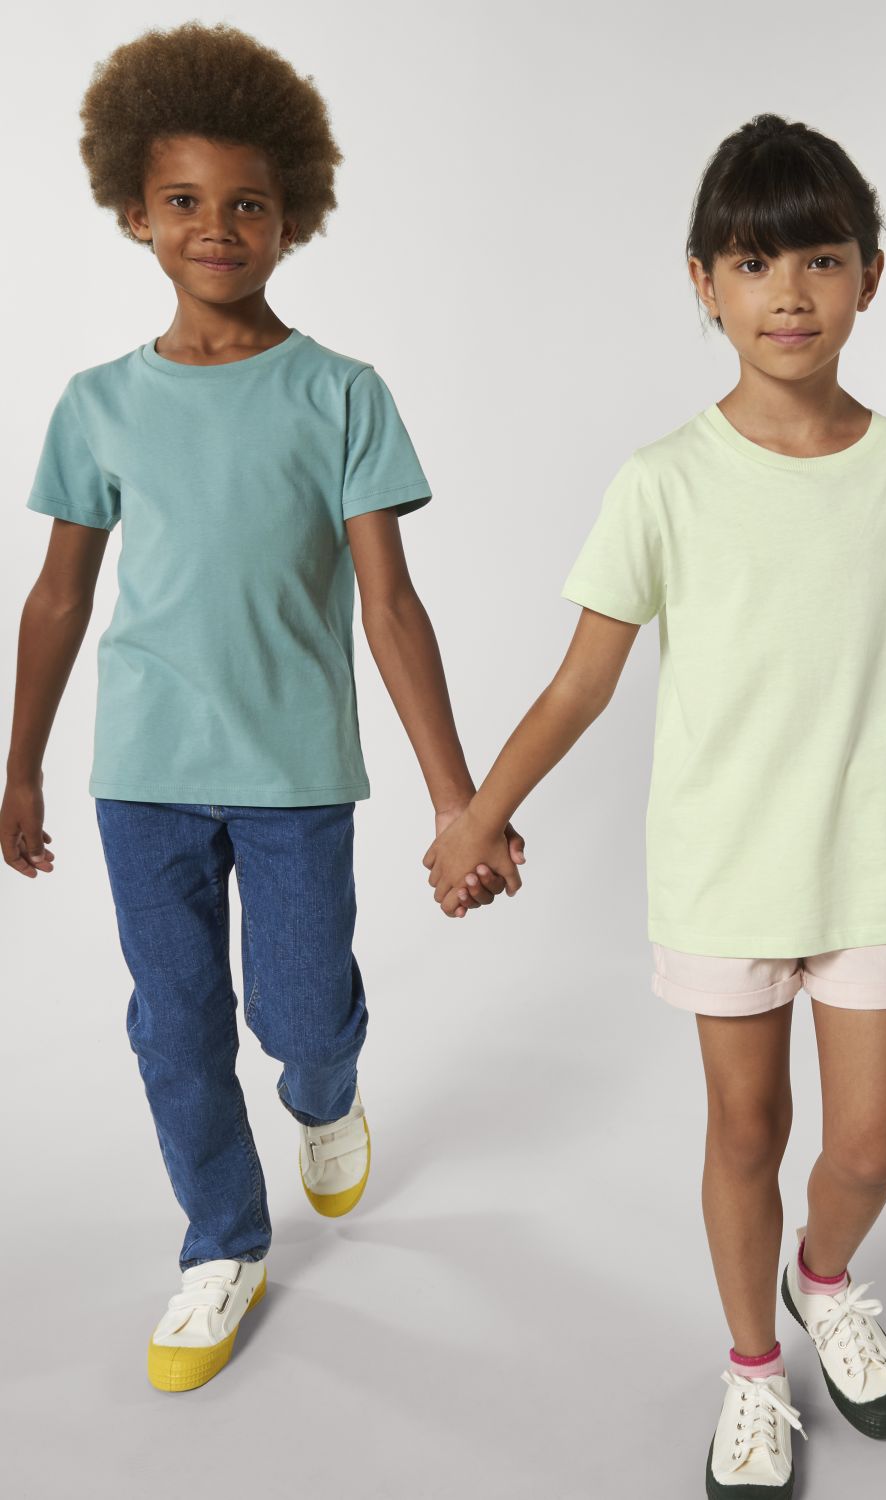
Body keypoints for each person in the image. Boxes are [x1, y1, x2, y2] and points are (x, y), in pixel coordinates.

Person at [425, 114, 886, 1494]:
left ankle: (823, 1276)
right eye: (752, 263)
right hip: (724, 872)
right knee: (747, 1133)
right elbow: (581, 685)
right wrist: (476, 814)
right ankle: (752, 1365)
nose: (789, 292)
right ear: (703, 283)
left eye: (820, 259)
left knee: (869, 1145)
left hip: (871, 870)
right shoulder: (664, 481)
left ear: (870, 276)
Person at [2, 20, 520, 1393]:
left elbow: (391, 607)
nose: (215, 227)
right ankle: (222, 1241)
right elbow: (57, 598)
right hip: (143, 772)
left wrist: (459, 798)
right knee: (174, 1024)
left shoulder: (340, 394)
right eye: (183, 200)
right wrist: (22, 766)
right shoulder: (97, 404)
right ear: (134, 212)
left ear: (294, 216)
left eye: (247, 204)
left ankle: (326, 1094)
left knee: (298, 1013)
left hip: (295, 773)